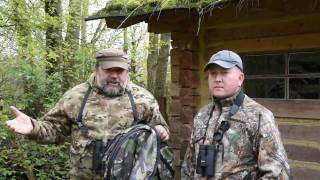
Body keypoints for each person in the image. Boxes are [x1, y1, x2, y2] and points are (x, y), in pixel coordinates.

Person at [6, 48, 170, 179]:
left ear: (127, 72)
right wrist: (33, 127)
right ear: (97, 69)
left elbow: (159, 129)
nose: (114, 75)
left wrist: (161, 132)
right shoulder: (76, 97)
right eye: (108, 70)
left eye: (119, 70)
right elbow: (54, 129)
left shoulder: (143, 99)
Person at [181, 50, 290, 179]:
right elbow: (189, 166)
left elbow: (276, 173)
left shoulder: (259, 116)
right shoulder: (202, 116)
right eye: (213, 73)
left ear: (240, 78)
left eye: (224, 73)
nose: (217, 79)